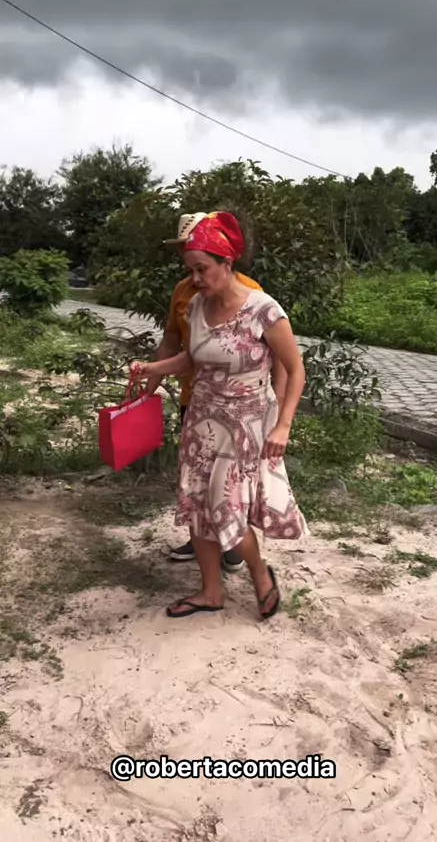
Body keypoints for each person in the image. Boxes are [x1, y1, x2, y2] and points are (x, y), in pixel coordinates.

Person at [133, 210, 308, 620]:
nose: (195, 278)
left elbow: (295, 367)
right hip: (201, 421)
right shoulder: (195, 306)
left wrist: (284, 424)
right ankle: (210, 591)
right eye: (190, 270)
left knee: (225, 508)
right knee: (197, 506)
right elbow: (192, 359)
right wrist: (152, 369)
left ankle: (260, 573)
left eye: (203, 269)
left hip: (245, 425)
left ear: (226, 263)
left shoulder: (263, 310)